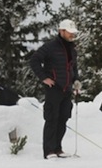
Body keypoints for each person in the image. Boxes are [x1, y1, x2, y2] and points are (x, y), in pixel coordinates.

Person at [29, 19, 81, 159]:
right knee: (52, 119)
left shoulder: (72, 49)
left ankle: (58, 148)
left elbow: (73, 68)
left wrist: (76, 81)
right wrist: (44, 78)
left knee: (63, 118)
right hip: (54, 89)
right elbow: (34, 61)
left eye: (73, 33)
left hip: (67, 89)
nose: (72, 35)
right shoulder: (50, 47)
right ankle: (49, 151)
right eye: (69, 33)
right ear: (61, 31)